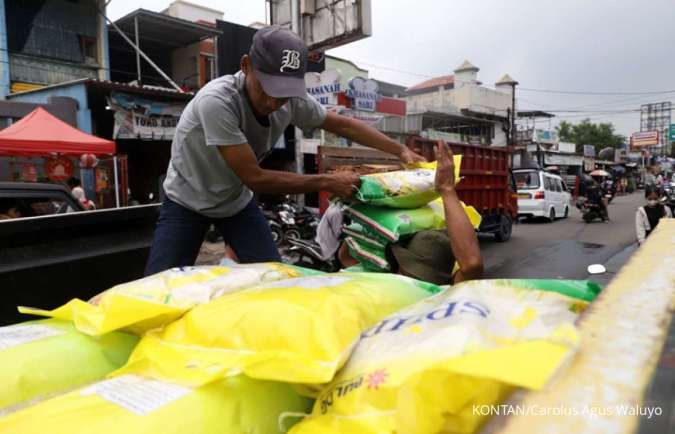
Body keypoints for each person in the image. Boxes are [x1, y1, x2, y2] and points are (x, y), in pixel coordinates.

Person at [145, 26, 424, 276]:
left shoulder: (291, 101)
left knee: (273, 277)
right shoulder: (216, 102)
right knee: (156, 288)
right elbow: (254, 177)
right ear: (246, 65)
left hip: (234, 202)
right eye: (266, 88)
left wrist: (400, 151)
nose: (273, 101)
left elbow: (343, 125)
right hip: (187, 199)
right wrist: (327, 181)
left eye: (283, 92)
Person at [338, 142, 483, 285]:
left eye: (408, 269)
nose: (401, 273)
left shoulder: (446, 294)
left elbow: (472, 264)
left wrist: (447, 189)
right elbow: (348, 254)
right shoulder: (386, 280)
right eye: (404, 267)